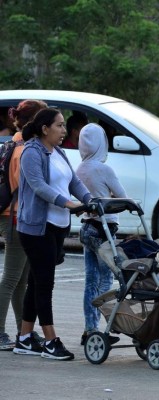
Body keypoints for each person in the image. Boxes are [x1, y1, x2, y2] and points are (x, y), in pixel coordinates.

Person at [13, 107, 92, 360]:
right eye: (59, 125)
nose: (64, 130)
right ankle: (50, 341)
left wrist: (90, 200)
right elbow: (39, 186)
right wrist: (68, 204)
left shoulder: (57, 151)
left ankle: (24, 338)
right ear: (45, 128)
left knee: (36, 282)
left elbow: (73, 182)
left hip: (58, 227)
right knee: (45, 284)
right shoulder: (31, 152)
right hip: (37, 228)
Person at [0, 100, 47, 350]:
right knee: (11, 278)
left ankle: (23, 331)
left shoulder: (14, 142)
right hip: (16, 216)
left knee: (20, 279)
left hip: (13, 214)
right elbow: (27, 188)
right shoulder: (24, 149)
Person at [76, 123, 127, 346]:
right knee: (106, 279)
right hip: (104, 229)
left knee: (90, 281)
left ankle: (90, 328)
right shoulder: (103, 169)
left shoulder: (80, 169)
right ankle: (105, 327)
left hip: (87, 228)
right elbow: (122, 197)